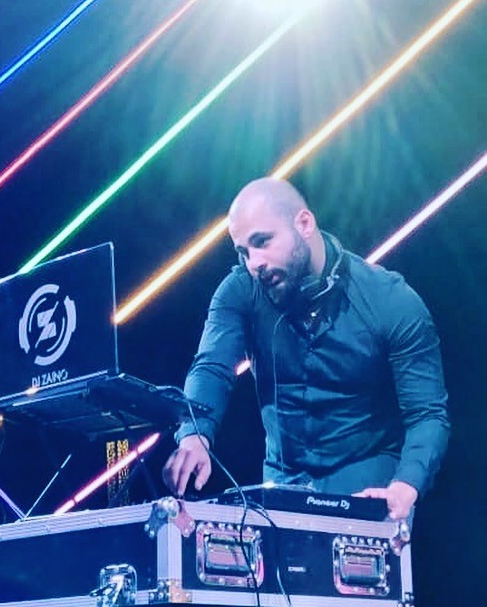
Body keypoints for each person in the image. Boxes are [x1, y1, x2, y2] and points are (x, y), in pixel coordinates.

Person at [163, 178, 450, 520]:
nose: (254, 263)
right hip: (282, 488)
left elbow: (428, 413)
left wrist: (406, 486)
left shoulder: (391, 300)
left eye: (262, 242)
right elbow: (212, 366)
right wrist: (195, 434)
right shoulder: (238, 291)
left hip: (368, 488)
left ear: (304, 223)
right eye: (243, 252)